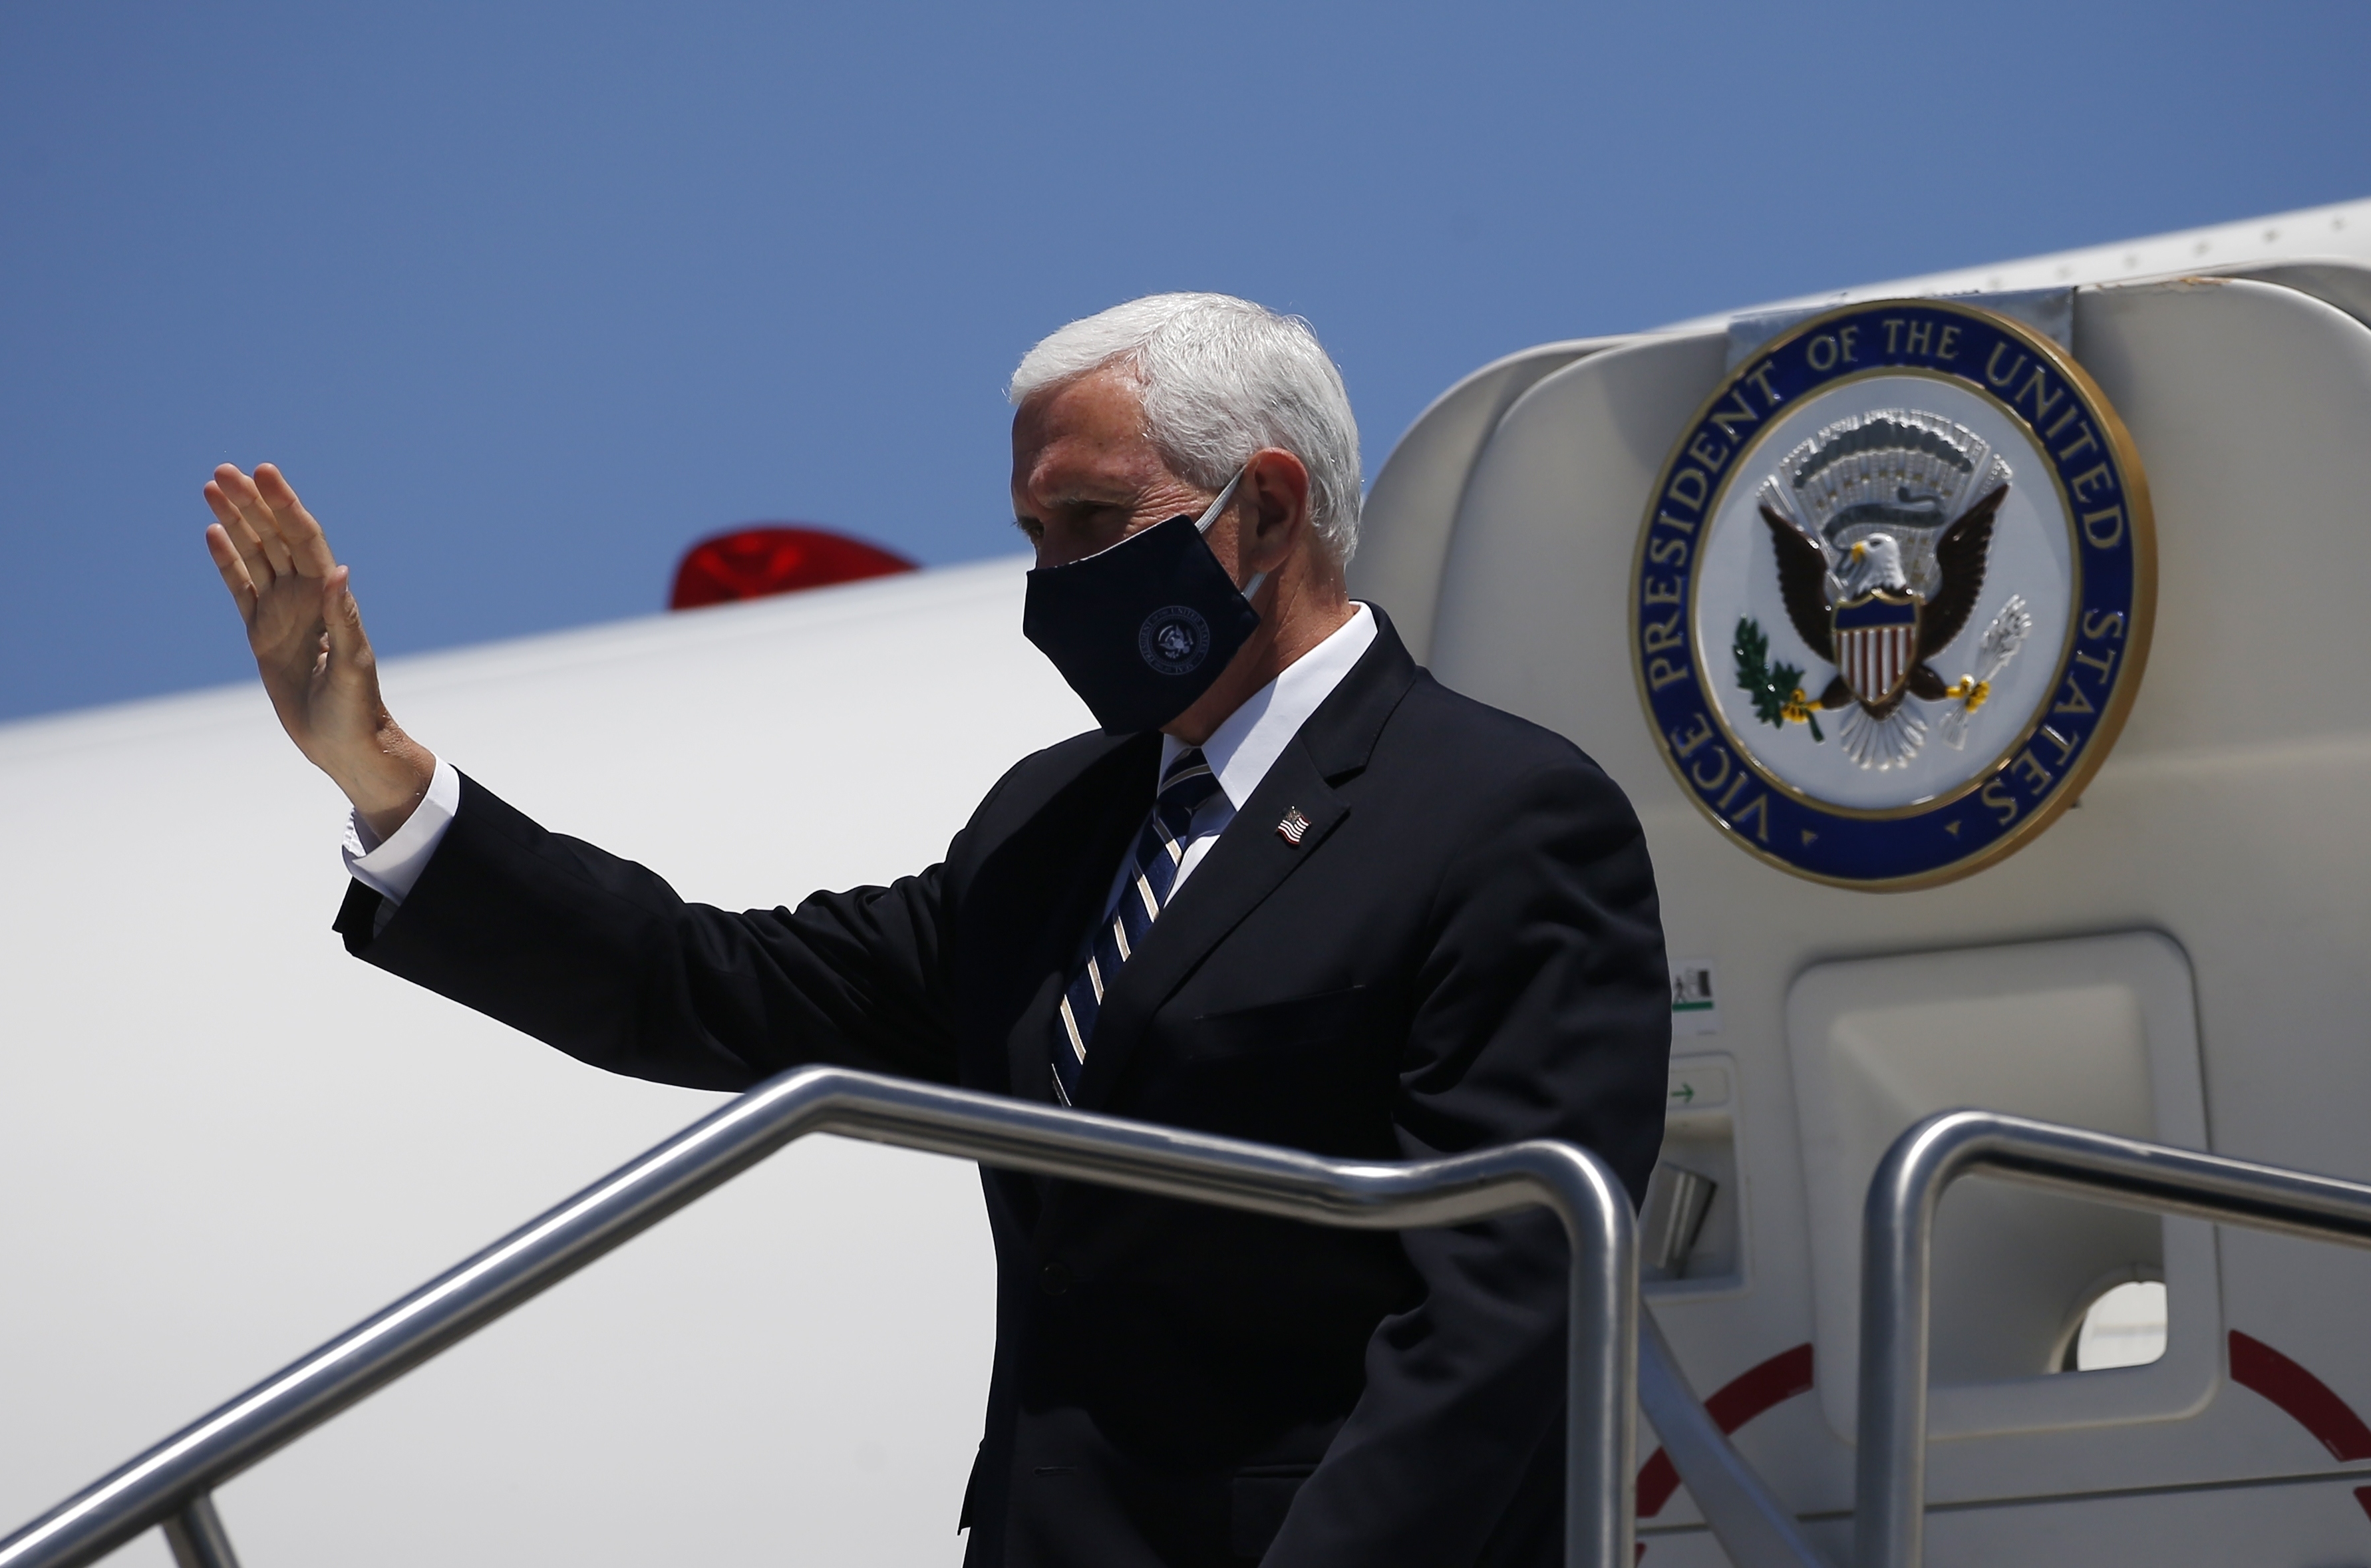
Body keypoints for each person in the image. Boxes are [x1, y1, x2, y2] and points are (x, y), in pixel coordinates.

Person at [202, 293, 1669, 1568]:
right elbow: (712, 987)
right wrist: (380, 771)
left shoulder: (1498, 817)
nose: (1054, 582)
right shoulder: (1053, 829)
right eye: (1033, 534)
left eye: (1092, 522)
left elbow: (1501, 1309)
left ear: (1270, 510)